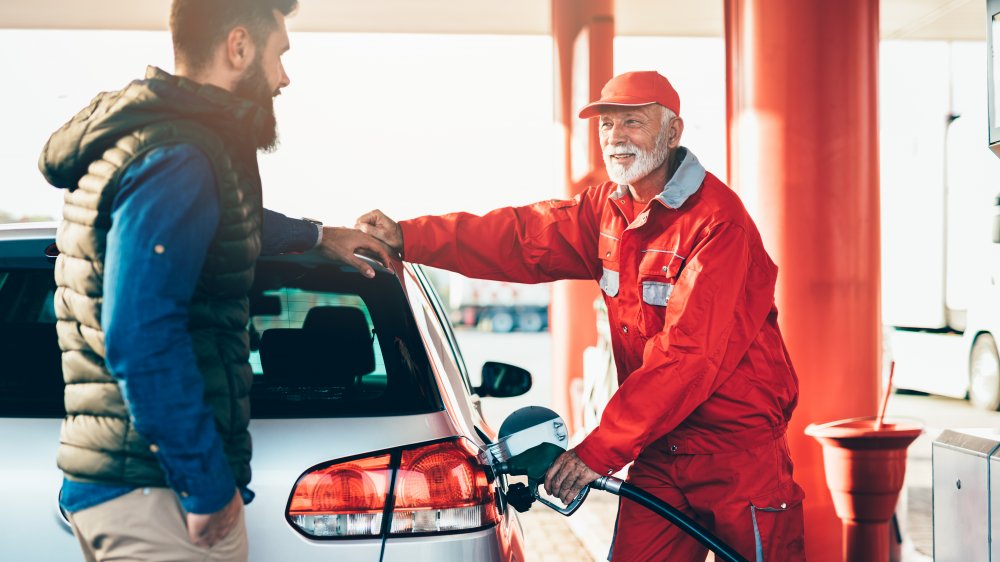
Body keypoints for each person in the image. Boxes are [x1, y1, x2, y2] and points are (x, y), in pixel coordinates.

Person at [357, 70, 806, 560]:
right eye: (607, 125)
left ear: (673, 132)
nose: (615, 137)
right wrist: (409, 236)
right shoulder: (606, 211)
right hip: (660, 447)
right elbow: (521, 237)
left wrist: (598, 451)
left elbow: (688, 357)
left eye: (632, 122)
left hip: (737, 453)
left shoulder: (719, 225)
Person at [38, 1, 391, 561]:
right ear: (239, 48)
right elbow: (140, 333)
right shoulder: (178, 155)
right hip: (160, 494)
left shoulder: (145, 142)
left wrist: (316, 236)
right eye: (279, 55)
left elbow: (213, 220)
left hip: (123, 480)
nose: (284, 77)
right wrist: (206, 488)